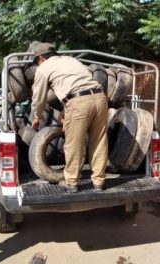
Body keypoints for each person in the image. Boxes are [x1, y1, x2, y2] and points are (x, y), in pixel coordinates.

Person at [30, 43, 108, 193]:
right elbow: (80, 84)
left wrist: (37, 116)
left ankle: (71, 182)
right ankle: (99, 182)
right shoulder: (72, 60)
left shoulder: (43, 68)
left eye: (36, 61)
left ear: (40, 58)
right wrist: (67, 109)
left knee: (74, 143)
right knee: (99, 141)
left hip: (78, 102)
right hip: (99, 98)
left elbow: (38, 97)